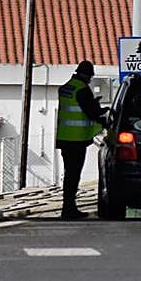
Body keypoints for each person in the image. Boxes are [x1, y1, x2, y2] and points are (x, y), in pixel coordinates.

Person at [54, 60, 107, 220]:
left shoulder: (66, 88)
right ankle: (69, 209)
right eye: (90, 77)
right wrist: (103, 117)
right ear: (87, 75)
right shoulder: (82, 90)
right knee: (74, 174)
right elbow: (91, 112)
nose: (90, 80)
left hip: (65, 138)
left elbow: (76, 108)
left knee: (69, 173)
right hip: (77, 140)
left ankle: (68, 207)